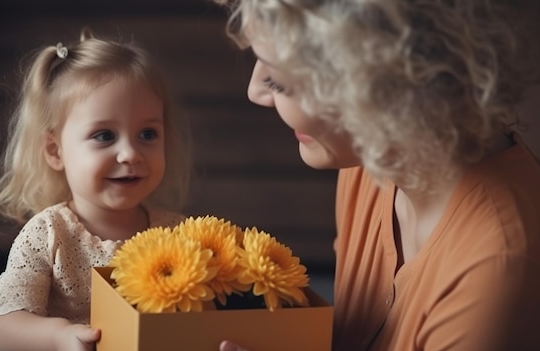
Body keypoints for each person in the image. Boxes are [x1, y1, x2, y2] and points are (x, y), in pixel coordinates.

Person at [213, 0, 540, 350]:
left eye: (277, 80)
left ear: (373, 83)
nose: (255, 92)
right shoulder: (372, 161)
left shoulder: (497, 264)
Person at [0, 28, 191, 351]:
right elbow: (4, 326)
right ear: (55, 151)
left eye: (147, 134)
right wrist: (58, 337)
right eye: (105, 135)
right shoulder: (49, 234)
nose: (131, 154)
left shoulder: (180, 234)